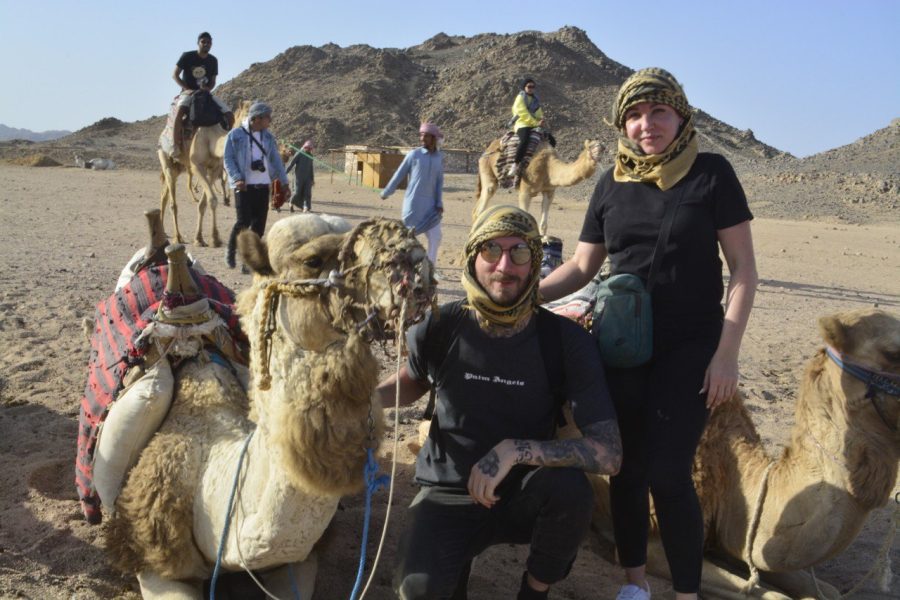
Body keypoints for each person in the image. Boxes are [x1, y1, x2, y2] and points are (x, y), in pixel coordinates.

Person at [540, 68, 758, 600]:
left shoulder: (712, 174)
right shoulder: (611, 181)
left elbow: (744, 271)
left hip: (692, 346)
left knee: (668, 471)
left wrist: (726, 355)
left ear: (680, 114)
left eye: (658, 112)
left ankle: (685, 593)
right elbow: (583, 267)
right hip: (623, 344)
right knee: (627, 469)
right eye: (634, 116)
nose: (646, 125)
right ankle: (634, 585)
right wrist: (521, 294)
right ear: (622, 124)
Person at [376, 205, 622, 600]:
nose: (504, 265)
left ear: (535, 263)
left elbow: (608, 454)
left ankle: (535, 589)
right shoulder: (440, 325)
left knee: (572, 492)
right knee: (418, 590)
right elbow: (413, 382)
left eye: (519, 253)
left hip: (523, 491)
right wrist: (364, 400)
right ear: (473, 256)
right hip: (447, 489)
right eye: (491, 250)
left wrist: (514, 451)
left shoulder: (565, 341)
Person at [223, 101, 290, 270]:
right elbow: (228, 159)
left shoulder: (268, 137)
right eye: (268, 118)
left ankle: (249, 261)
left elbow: (276, 160)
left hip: (262, 186)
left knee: (259, 226)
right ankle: (231, 251)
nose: (270, 121)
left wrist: (284, 183)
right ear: (257, 118)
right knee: (242, 222)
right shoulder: (235, 135)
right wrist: (237, 178)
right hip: (244, 186)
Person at [380, 123, 444, 268]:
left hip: (431, 206)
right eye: (421, 135)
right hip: (413, 204)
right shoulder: (413, 155)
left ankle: (430, 267)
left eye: (426, 136)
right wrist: (387, 191)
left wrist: (439, 203)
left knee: (435, 237)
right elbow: (399, 175)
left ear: (433, 138)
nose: (422, 138)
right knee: (408, 238)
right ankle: (399, 265)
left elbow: (439, 182)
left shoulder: (439, 158)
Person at [169, 32, 232, 157]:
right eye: (203, 42)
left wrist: (207, 89)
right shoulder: (187, 56)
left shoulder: (213, 60)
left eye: (209, 42)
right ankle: (175, 146)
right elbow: (174, 75)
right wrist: (187, 88)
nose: (206, 44)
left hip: (205, 93)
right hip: (188, 92)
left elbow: (213, 81)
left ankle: (229, 148)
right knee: (180, 112)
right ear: (198, 43)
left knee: (229, 114)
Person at [509, 77, 544, 177]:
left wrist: (541, 120)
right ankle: (515, 164)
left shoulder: (535, 100)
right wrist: (535, 123)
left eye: (533, 87)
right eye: (529, 86)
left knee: (550, 140)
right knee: (524, 140)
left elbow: (538, 113)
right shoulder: (520, 98)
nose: (531, 88)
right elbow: (523, 113)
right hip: (522, 124)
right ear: (524, 87)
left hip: (533, 124)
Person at [284, 140, 315, 213]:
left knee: (307, 193)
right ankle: (291, 203)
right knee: (297, 192)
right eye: (307, 148)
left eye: (310, 148)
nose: (309, 149)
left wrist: (312, 179)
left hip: (307, 178)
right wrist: (284, 173)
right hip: (298, 177)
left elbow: (311, 168)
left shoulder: (311, 156)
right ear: (305, 147)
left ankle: (305, 207)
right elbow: (291, 164)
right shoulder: (299, 154)